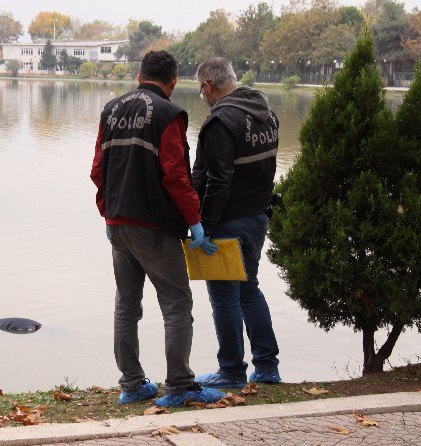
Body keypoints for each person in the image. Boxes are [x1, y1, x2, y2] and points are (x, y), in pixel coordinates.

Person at [90, 50, 223, 407]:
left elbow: (98, 171)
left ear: (138, 76)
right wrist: (195, 223)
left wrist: (108, 213)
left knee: (126, 306)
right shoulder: (169, 114)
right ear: (174, 81)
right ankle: (179, 385)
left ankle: (132, 384)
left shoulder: (111, 110)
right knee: (177, 304)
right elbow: (177, 176)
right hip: (153, 227)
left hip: (118, 224)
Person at [192, 57, 282, 389]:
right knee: (249, 291)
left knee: (224, 296)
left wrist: (205, 225)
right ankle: (267, 368)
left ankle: (230, 371)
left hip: (227, 222)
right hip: (257, 217)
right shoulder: (267, 115)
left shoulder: (221, 122)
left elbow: (218, 180)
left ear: (208, 87)